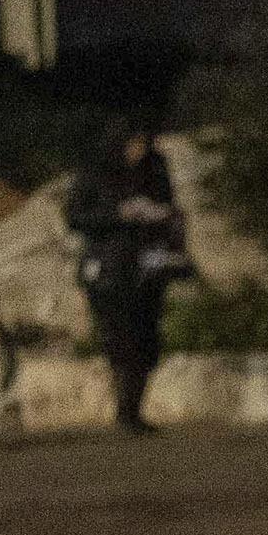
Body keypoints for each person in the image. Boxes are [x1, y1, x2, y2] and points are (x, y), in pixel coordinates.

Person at [60, 121, 191, 437]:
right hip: (108, 270)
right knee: (120, 340)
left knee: (147, 340)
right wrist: (118, 215)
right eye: (133, 143)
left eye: (143, 142)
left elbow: (170, 207)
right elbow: (75, 217)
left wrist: (160, 214)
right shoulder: (95, 172)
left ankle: (132, 410)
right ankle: (127, 412)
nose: (139, 149)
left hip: (148, 267)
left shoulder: (155, 168)